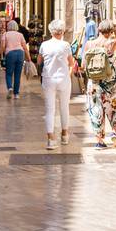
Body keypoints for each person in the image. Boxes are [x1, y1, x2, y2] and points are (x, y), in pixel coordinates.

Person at [84, 19, 116, 149]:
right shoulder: (112, 43)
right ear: (111, 30)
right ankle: (114, 132)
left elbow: (83, 64)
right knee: (115, 107)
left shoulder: (89, 44)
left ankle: (100, 141)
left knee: (96, 109)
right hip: (110, 83)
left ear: (99, 30)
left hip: (94, 83)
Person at [38, 19, 74, 151]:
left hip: (48, 79)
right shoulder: (66, 45)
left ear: (51, 31)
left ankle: (50, 139)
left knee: (50, 109)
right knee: (64, 107)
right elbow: (71, 63)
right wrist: (68, 72)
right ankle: (64, 135)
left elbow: (39, 61)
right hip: (63, 79)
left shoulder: (44, 45)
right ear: (62, 31)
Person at [2, 19, 31, 98]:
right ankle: (16, 94)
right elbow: (25, 47)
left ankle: (10, 88)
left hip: (10, 54)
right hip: (20, 53)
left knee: (9, 73)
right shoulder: (20, 35)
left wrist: (1, 54)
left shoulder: (5, 34)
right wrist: (28, 57)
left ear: (8, 26)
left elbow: (3, 46)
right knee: (17, 75)